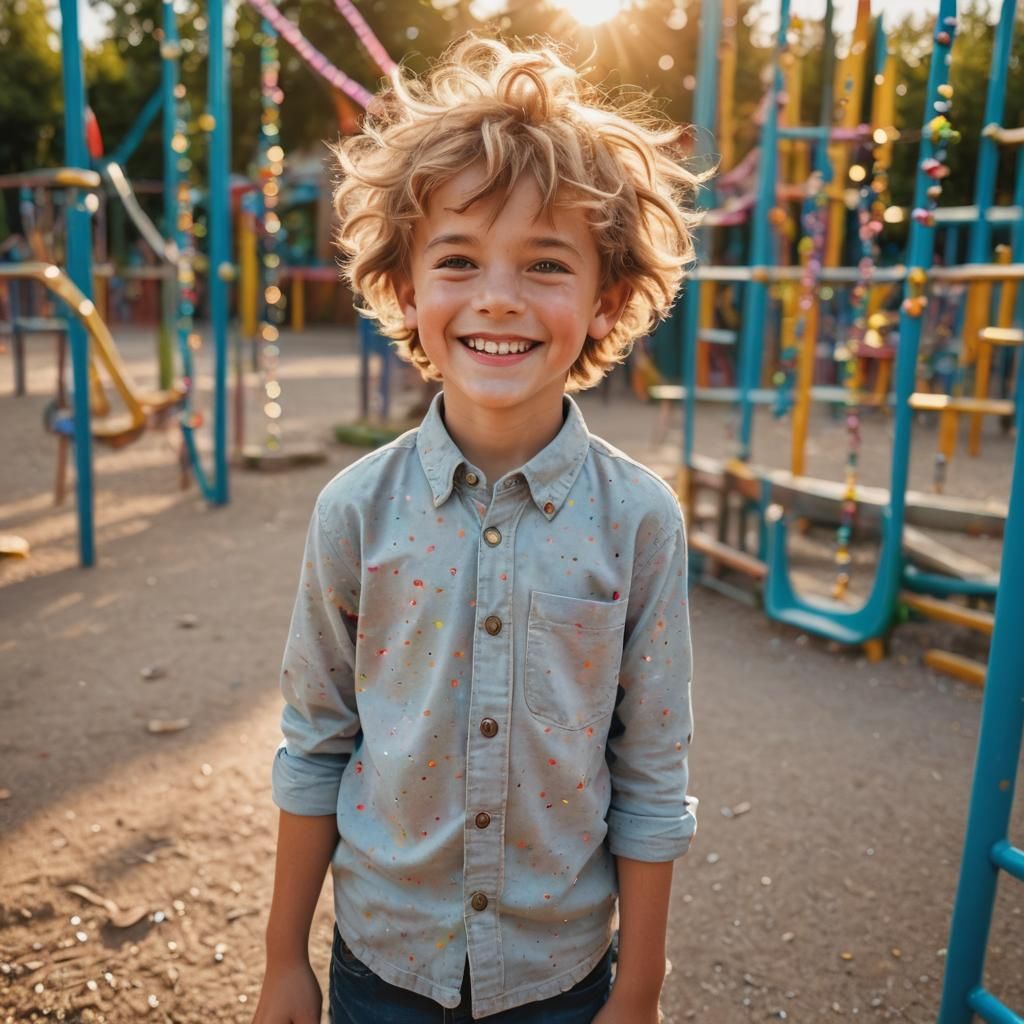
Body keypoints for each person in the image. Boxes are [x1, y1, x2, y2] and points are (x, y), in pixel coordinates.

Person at [252, 35, 701, 1024]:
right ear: (408, 290)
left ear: (607, 299)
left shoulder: (639, 523)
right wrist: (283, 956)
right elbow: (316, 741)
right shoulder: (354, 513)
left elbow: (652, 767)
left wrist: (641, 986)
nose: (498, 295)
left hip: (563, 976)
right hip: (385, 963)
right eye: (459, 260)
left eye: (545, 263)